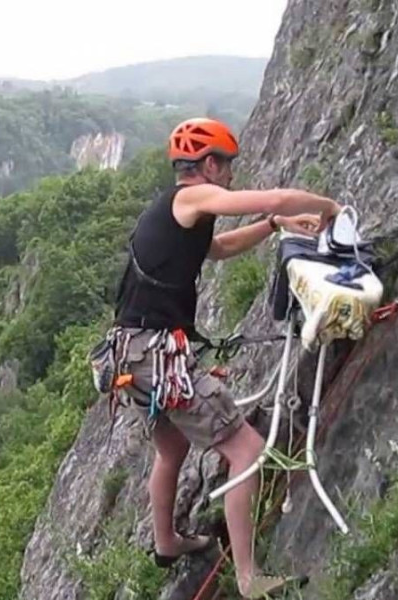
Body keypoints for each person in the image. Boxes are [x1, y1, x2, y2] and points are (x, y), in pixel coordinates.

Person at [113, 117, 340, 599]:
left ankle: (166, 543)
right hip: (156, 355)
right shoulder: (192, 198)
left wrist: (273, 226)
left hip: (131, 355)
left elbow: (215, 249)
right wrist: (329, 208)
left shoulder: (179, 212)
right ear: (209, 165)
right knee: (247, 451)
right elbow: (275, 196)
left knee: (171, 449)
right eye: (228, 165)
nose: (232, 173)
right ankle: (249, 579)